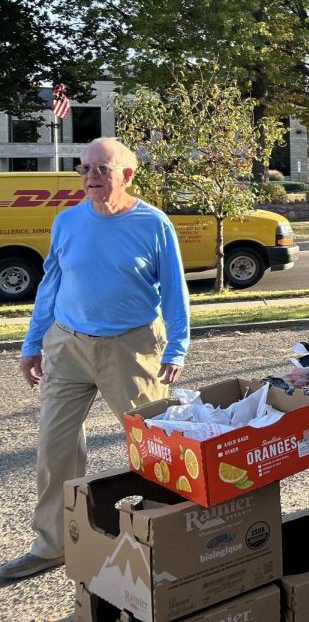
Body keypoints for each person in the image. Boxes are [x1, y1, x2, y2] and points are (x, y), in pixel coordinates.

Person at [1, 138, 189, 581]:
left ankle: (166, 532)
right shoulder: (66, 222)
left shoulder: (153, 223)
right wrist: (32, 344)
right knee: (54, 448)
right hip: (66, 345)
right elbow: (49, 287)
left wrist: (178, 347)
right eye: (85, 168)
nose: (90, 177)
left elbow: (176, 292)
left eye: (102, 169)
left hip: (131, 347)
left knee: (152, 446)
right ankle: (54, 544)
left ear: (127, 174)